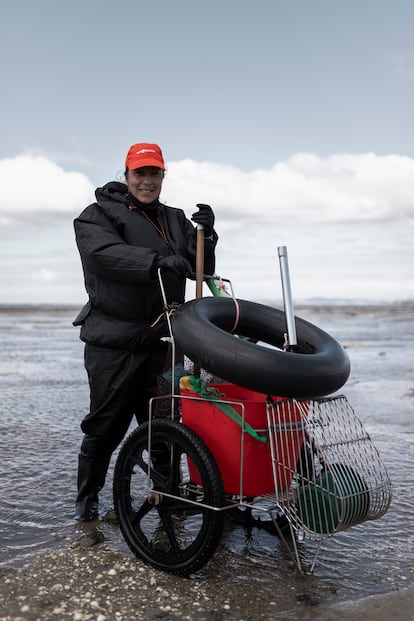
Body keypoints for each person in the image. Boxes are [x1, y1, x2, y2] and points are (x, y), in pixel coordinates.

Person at [72, 142, 217, 522]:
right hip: (113, 343)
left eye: (155, 173)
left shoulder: (175, 218)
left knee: (165, 428)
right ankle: (86, 505)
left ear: (163, 176)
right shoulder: (95, 215)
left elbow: (199, 270)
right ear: (127, 175)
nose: (147, 181)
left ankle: (168, 498)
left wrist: (208, 237)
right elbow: (103, 256)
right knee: (105, 427)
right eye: (140, 173)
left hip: (165, 341)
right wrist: (157, 260)